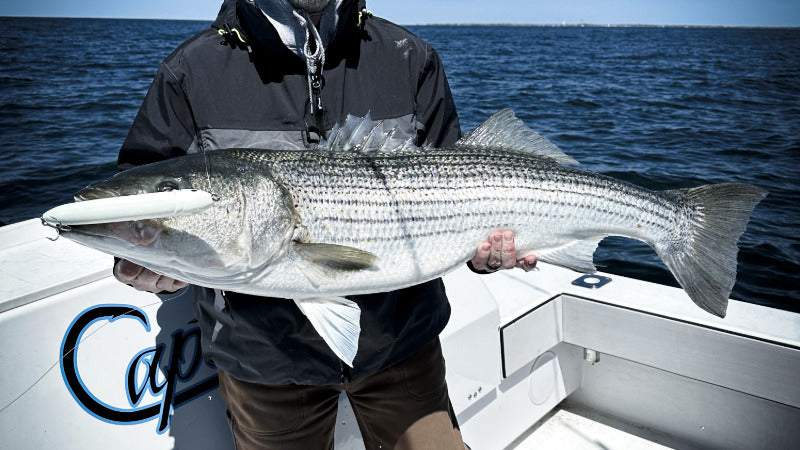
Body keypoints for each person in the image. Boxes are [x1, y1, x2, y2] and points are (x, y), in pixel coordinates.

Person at [113, 0, 537, 448]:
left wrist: (484, 255)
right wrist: (156, 268)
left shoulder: (409, 56)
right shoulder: (189, 71)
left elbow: (462, 190)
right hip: (263, 364)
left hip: (403, 348)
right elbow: (138, 201)